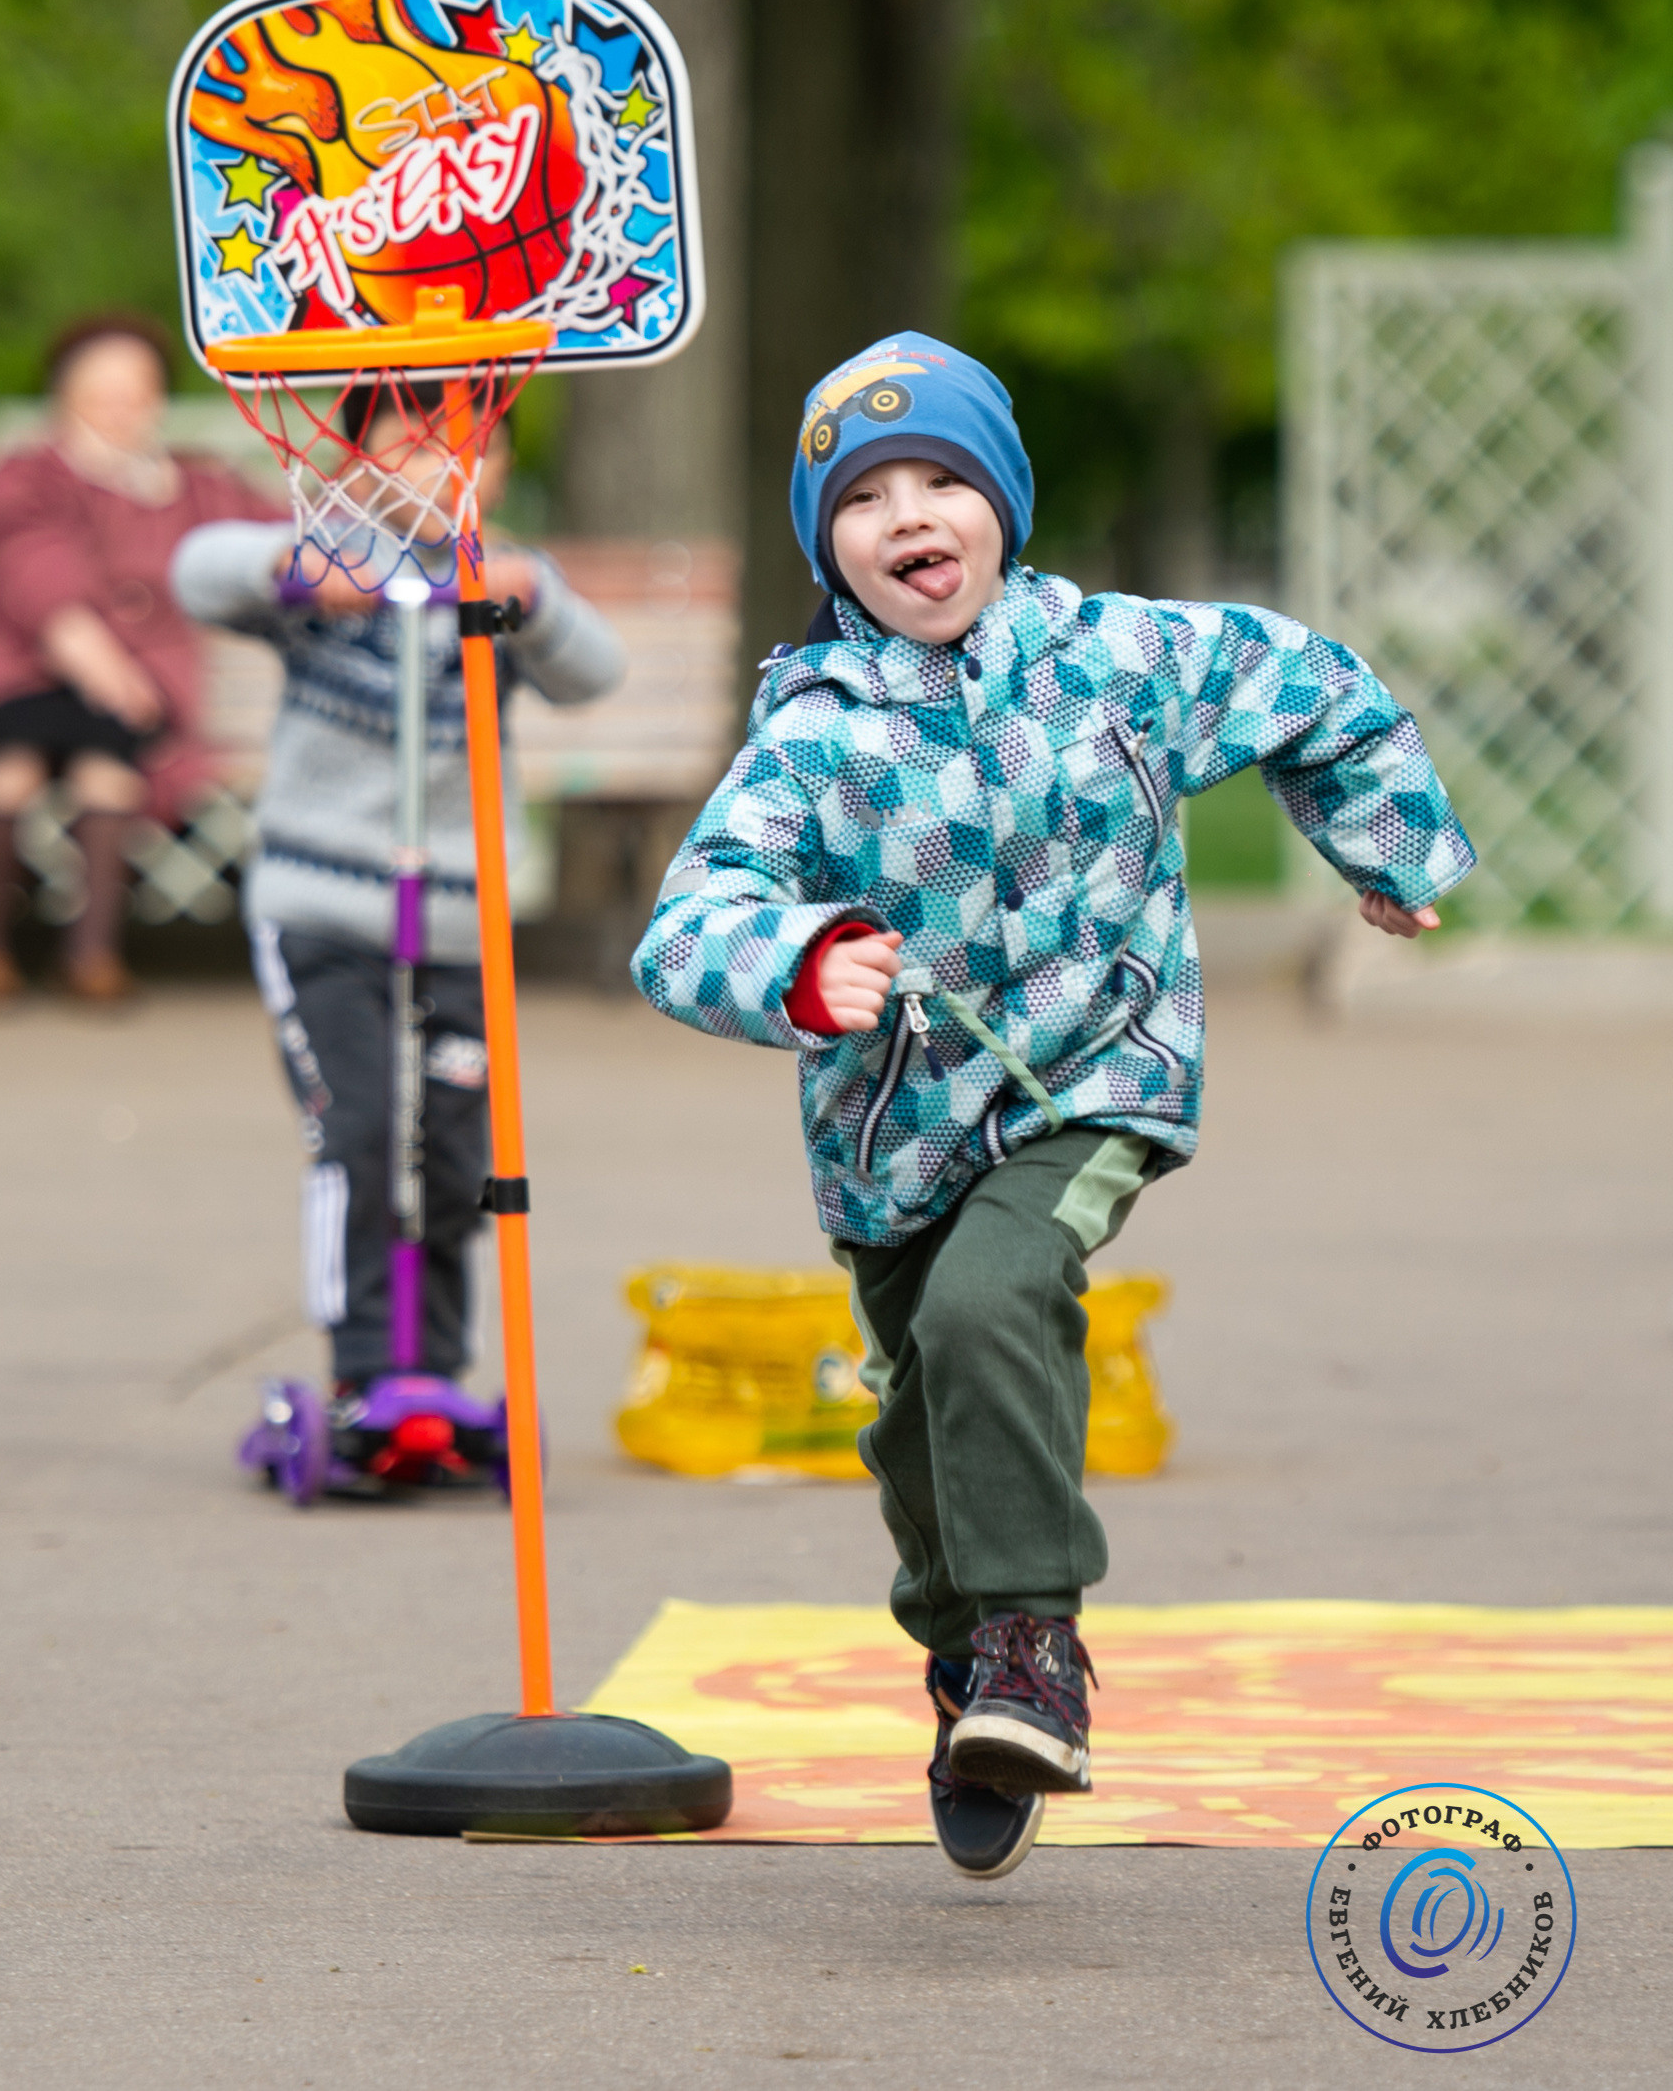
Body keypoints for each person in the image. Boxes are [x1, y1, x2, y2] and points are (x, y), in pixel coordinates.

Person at [631, 331, 1473, 1881]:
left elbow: (1317, 690)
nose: (909, 516)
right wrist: (803, 961)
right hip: (895, 1132)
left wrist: (1389, 849)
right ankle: (965, 1657)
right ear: (828, 545)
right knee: (916, 1408)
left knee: (991, 1301)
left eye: (942, 478)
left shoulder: (1124, 662)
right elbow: (689, 919)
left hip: (1101, 1070)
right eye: (865, 497)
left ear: (1003, 503)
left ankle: (1035, 1641)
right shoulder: (814, 734)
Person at [171, 400, 623, 1391]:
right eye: (408, 444)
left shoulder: (501, 579)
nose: (438, 466)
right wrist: (304, 577)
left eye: (468, 446)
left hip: (459, 922)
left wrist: (531, 600)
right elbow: (196, 571)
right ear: (358, 462)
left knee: (457, 1157)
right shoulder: (328, 567)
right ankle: (364, 1370)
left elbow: (595, 673)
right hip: (321, 913)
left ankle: (438, 1374)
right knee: (362, 1135)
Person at [0, 313, 277, 1000]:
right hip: (18, 672)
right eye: (102, 389)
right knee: (8, 768)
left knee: (107, 769)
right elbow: (24, 565)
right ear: (64, 395)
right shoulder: (26, 473)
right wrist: (94, 658)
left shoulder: (195, 484)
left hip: (140, 684)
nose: (121, 404)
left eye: (135, 388)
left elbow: (283, 530)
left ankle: (92, 952)